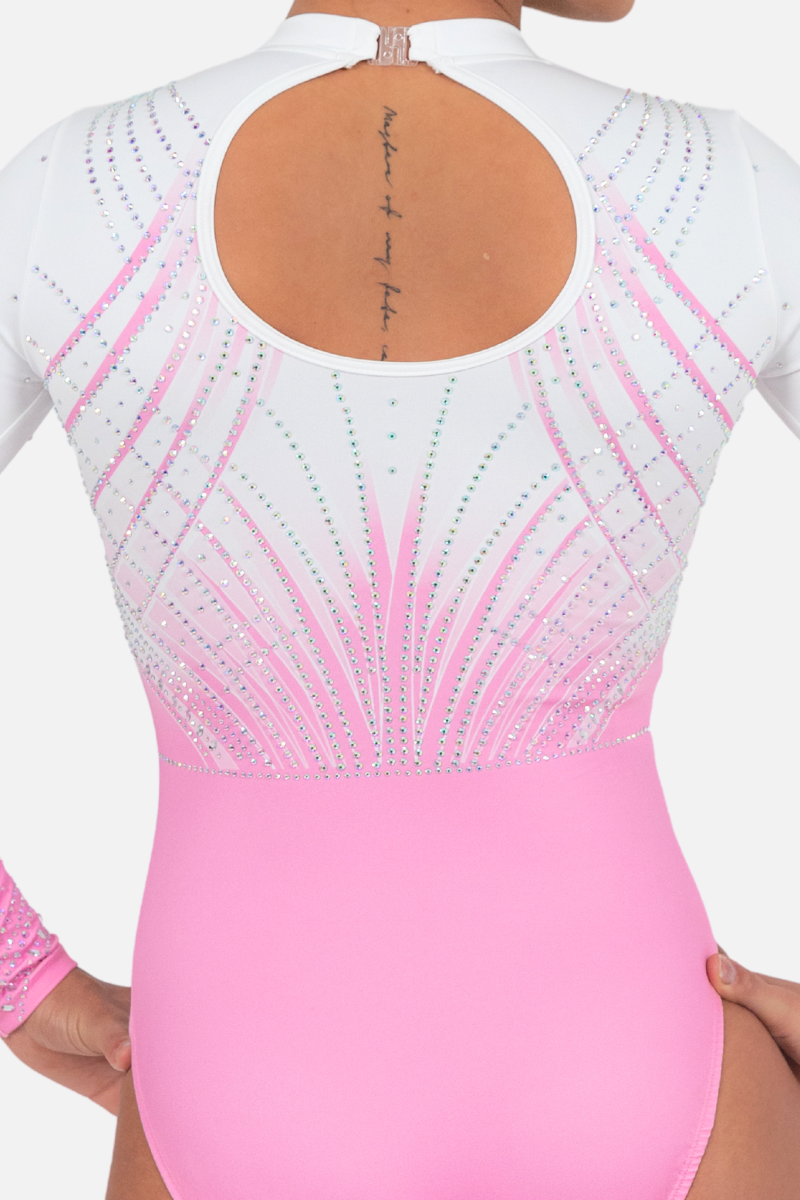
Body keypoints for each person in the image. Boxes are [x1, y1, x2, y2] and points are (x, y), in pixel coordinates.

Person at [1, 0, 799, 1196]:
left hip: (233, 1076)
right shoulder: (721, 185)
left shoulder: (73, 190)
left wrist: (18, 975)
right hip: (641, 1050)